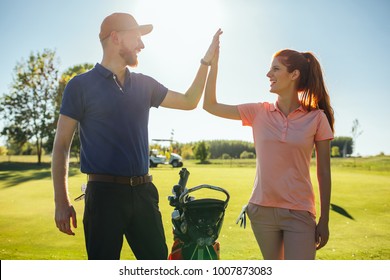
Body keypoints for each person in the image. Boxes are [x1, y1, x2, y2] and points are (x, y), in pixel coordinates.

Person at [52, 12, 222, 260]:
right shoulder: (80, 86)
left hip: (144, 194)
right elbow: (61, 146)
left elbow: (189, 101)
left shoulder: (145, 85)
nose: (142, 45)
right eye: (136, 38)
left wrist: (205, 61)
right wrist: (61, 201)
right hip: (103, 196)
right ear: (116, 38)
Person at [203, 39, 334, 259]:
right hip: (261, 211)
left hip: (299, 212)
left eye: (275, 69)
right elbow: (210, 105)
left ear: (294, 75)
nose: (268, 74)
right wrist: (212, 64)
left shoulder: (317, 118)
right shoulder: (258, 112)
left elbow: (324, 173)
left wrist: (324, 220)